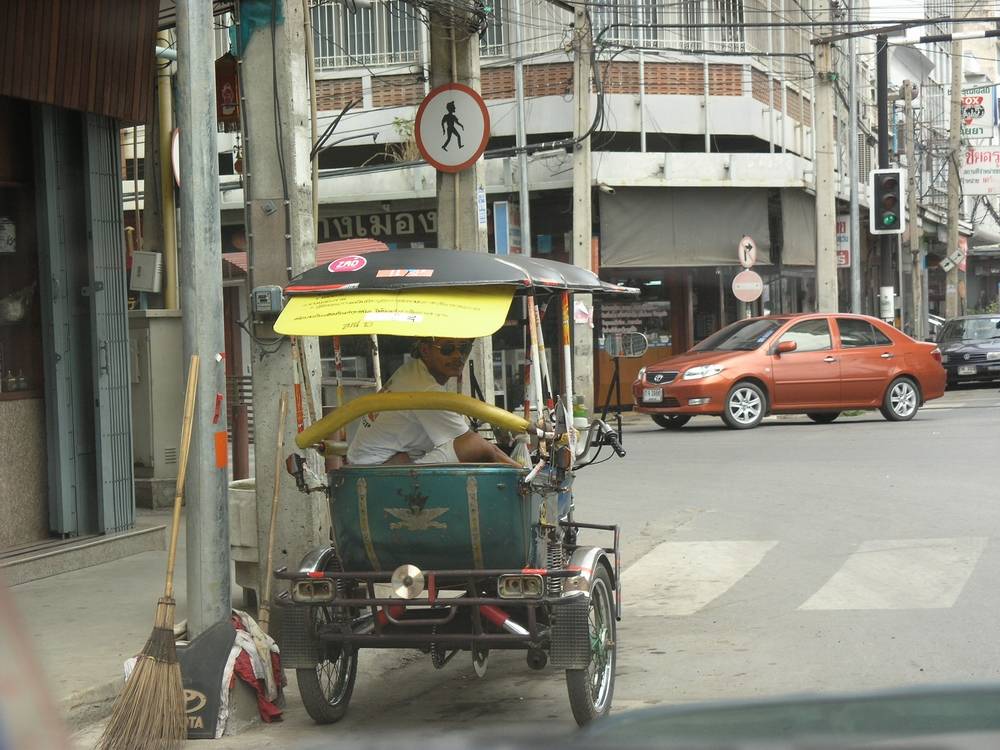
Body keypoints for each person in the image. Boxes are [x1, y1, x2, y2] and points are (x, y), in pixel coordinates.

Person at [347, 337, 521, 467]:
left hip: (374, 462)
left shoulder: (411, 370)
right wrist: (522, 472)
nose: (458, 356)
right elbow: (477, 446)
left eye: (464, 348)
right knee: (476, 446)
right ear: (425, 350)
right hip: (379, 471)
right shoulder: (425, 390)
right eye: (447, 349)